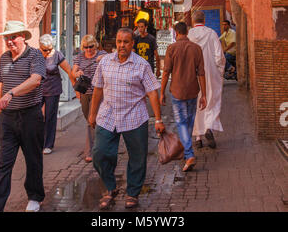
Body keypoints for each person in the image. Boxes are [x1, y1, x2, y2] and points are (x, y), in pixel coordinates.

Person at [88, 28, 165, 210]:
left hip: (134, 117)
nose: (122, 45)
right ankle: (110, 186)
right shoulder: (105, 62)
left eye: (126, 42)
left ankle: (132, 193)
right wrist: (92, 113)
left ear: (132, 44)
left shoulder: (142, 65)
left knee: (137, 158)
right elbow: (98, 89)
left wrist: (159, 120)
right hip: (107, 116)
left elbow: (152, 93)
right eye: (119, 41)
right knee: (99, 153)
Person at [0, 21, 46, 212]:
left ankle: (35, 197)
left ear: (23, 36)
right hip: (7, 118)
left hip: (30, 115)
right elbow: (2, 87)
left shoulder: (35, 54)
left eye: (13, 37)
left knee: (33, 158)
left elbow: (36, 80)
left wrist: (12, 93)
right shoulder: (5, 58)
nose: (9, 41)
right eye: (6, 37)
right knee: (3, 162)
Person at [160, 21, 207, 172]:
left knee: (181, 123)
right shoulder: (197, 48)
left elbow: (166, 72)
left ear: (176, 32)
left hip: (177, 91)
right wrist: (204, 94)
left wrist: (162, 92)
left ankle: (189, 153)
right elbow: (201, 73)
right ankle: (188, 153)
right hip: (193, 90)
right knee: (189, 121)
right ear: (187, 32)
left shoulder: (171, 48)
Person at [188, 11, 225, 149]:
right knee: (211, 100)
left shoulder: (189, 35)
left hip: (193, 74)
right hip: (210, 72)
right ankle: (208, 127)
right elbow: (219, 56)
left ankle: (198, 137)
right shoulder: (211, 33)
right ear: (204, 20)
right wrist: (219, 72)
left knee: (196, 103)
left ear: (193, 21)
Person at [72, 35, 107, 163]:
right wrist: (77, 73)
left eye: (91, 46)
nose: (88, 49)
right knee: (89, 119)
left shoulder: (102, 53)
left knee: (91, 120)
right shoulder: (80, 57)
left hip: (98, 92)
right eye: (86, 47)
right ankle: (100, 144)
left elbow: (111, 58)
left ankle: (90, 151)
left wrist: (102, 58)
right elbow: (73, 72)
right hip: (84, 93)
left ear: (95, 45)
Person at [39, 34, 72, 154]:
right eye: (45, 50)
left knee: (50, 117)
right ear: (40, 47)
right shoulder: (36, 55)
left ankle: (48, 145)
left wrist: (76, 84)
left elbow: (68, 69)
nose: (48, 52)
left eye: (49, 49)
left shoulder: (57, 55)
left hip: (53, 89)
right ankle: (37, 141)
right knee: (35, 115)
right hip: (38, 89)